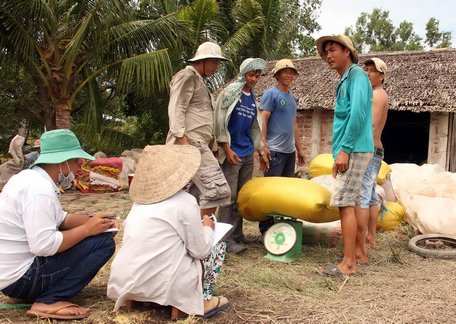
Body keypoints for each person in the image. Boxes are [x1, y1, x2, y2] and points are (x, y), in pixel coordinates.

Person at [0, 129, 117, 320]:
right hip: (22, 278)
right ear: (61, 162)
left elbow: (61, 219)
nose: (80, 165)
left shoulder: (30, 179)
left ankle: (39, 294)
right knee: (104, 243)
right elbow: (44, 245)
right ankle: (49, 300)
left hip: (12, 278)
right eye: (76, 160)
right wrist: (88, 230)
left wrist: (94, 220)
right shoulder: (39, 191)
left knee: (98, 235)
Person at [107, 145, 230, 319]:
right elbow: (200, 250)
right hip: (167, 285)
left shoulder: (139, 203)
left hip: (126, 281)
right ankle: (201, 300)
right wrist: (208, 228)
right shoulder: (185, 202)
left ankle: (138, 298)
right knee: (215, 247)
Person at [316, 35, 374, 275]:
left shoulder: (357, 75)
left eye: (333, 50)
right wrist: (338, 153)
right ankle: (359, 253)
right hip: (352, 148)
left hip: (355, 148)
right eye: (326, 52)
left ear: (347, 52)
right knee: (355, 201)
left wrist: (345, 151)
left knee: (344, 203)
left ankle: (348, 263)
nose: (328, 56)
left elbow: (358, 114)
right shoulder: (344, 81)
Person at [166, 41, 231, 217]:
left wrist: (213, 145)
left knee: (179, 193)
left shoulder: (200, 81)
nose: (217, 66)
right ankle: (201, 232)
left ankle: (190, 230)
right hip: (190, 142)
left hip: (199, 143)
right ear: (202, 60)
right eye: (214, 62)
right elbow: (176, 108)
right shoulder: (187, 76)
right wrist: (183, 141)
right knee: (218, 190)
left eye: (218, 62)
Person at [215, 58, 269, 254]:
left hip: (247, 153)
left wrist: (261, 152)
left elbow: (254, 130)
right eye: (251, 75)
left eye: (257, 76)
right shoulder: (230, 93)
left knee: (241, 198)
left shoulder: (252, 99)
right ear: (243, 74)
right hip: (233, 153)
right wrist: (226, 148)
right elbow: (220, 122)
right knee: (228, 198)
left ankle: (237, 236)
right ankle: (223, 240)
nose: (254, 79)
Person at [258, 59, 305, 234]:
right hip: (274, 150)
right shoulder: (271, 94)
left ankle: (281, 226)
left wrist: (299, 150)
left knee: (285, 191)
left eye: (291, 72)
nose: (288, 75)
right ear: (277, 75)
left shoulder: (292, 99)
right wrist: (263, 145)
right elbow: (263, 119)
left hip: (288, 151)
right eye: (285, 72)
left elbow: (294, 125)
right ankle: (265, 229)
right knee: (271, 190)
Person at [361, 58, 389, 249]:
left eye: (373, 71)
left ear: (381, 76)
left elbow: (370, 127)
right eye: (367, 70)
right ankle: (370, 238)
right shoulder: (372, 93)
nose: (368, 73)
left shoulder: (378, 95)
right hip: (374, 150)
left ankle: (361, 242)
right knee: (370, 196)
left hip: (370, 150)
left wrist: (361, 152)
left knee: (363, 196)